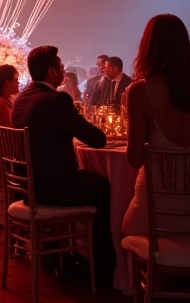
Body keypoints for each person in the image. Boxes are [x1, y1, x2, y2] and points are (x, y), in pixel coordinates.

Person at [11, 46, 114, 283]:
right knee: (104, 187)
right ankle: (101, 266)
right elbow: (97, 139)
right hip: (52, 188)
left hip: (27, 187)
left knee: (89, 181)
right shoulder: (56, 99)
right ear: (51, 71)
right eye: (61, 66)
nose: (63, 69)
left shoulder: (22, 98)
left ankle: (67, 252)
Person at [121, 14, 190, 237]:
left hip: (156, 210)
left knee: (124, 229)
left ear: (147, 48)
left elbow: (135, 159)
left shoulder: (140, 90)